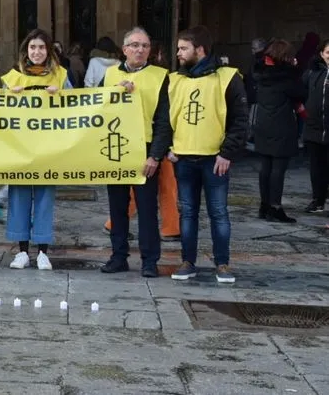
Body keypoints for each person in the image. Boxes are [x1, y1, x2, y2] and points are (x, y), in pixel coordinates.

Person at [168, 25, 248, 283]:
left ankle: (222, 264)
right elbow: (164, 117)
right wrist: (169, 147)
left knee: (219, 212)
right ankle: (187, 261)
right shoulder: (174, 80)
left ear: (199, 50)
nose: (178, 53)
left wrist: (227, 153)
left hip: (215, 159)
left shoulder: (227, 77)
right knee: (187, 213)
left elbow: (239, 119)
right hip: (183, 157)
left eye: (183, 48)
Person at [99, 27, 172, 278]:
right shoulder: (109, 75)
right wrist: (114, 93)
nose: (140, 50)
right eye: (135, 45)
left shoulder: (161, 77)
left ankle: (150, 260)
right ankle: (118, 256)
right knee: (117, 206)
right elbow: (93, 108)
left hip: (146, 150)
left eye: (145, 46)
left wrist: (156, 156)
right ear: (124, 49)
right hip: (115, 147)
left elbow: (165, 120)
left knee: (147, 207)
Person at [2, 28, 71, 271]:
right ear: (26, 51)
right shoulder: (11, 78)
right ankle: (21, 251)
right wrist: (9, 97)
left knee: (44, 199)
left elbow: (79, 108)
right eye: (33, 47)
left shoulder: (61, 76)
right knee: (19, 197)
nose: (37, 52)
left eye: (41, 47)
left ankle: (43, 251)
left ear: (49, 50)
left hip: (48, 149)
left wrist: (61, 95)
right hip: (20, 148)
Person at [252, 40, 304, 223]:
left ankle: (264, 205)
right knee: (278, 169)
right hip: (282, 124)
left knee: (265, 166)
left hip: (263, 124)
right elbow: (300, 92)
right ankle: (275, 207)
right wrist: (295, 70)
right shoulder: (286, 77)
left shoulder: (260, 74)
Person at [303, 36, 329, 214]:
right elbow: (300, 91)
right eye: (328, 52)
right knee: (316, 168)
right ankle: (317, 200)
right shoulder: (313, 73)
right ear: (321, 53)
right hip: (314, 127)